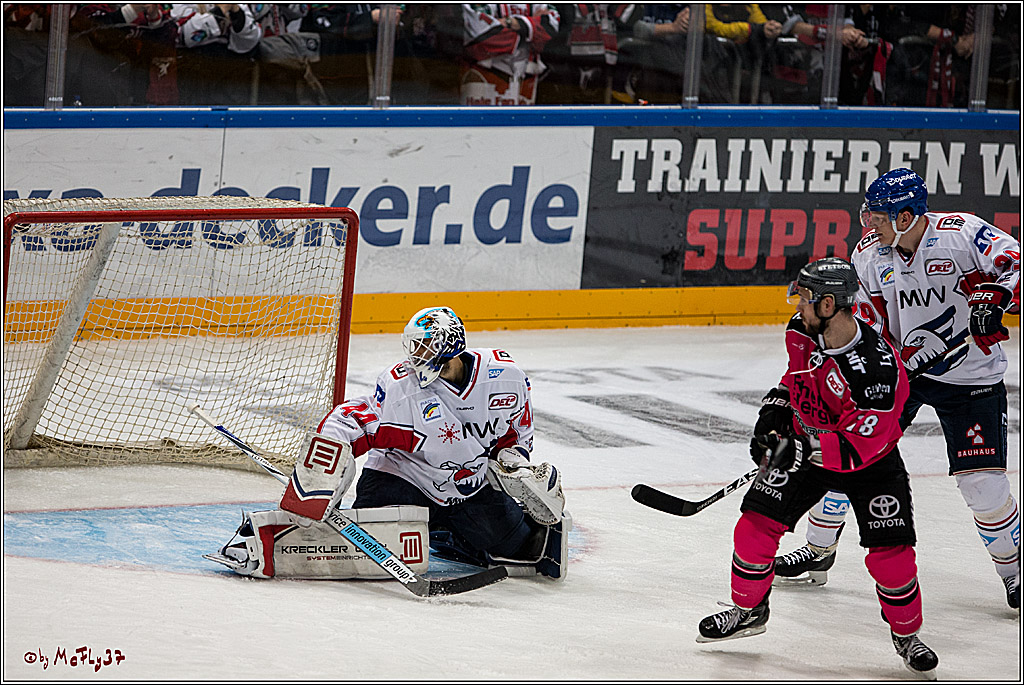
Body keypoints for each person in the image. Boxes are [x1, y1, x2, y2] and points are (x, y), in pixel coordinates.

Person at [773, 168, 1022, 612]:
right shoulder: (870, 254)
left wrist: (996, 299)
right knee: (844, 452)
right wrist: (868, 366)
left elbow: (1014, 262)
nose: (870, 225)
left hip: (972, 380)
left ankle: (1015, 571)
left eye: (880, 217)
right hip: (900, 377)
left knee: (982, 486)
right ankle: (818, 548)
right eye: (869, 215)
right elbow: (868, 323)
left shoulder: (961, 233)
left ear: (907, 216)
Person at [697, 257, 939, 679]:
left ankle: (906, 634)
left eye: (806, 299)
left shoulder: (877, 374)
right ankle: (749, 610)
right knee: (753, 527)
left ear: (829, 305)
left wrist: (801, 447)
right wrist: (775, 412)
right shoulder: (801, 328)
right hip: (808, 447)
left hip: (869, 464)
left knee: (891, 559)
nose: (798, 306)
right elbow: (795, 377)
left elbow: (859, 448)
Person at [214, 306, 571, 581]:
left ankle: (446, 531)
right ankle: (264, 539)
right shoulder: (403, 389)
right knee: (355, 547)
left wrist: (515, 463)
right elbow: (349, 421)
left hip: (467, 486)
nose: (414, 355)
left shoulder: (504, 376)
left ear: (449, 350)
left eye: (423, 347)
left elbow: (516, 430)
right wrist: (318, 481)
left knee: (521, 550)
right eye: (413, 346)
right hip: (402, 479)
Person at [460, 3, 560, 106]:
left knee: (523, 120)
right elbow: (480, 33)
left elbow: (552, 26)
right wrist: (530, 28)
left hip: (525, 81)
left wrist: (510, 22)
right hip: (486, 78)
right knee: (482, 120)